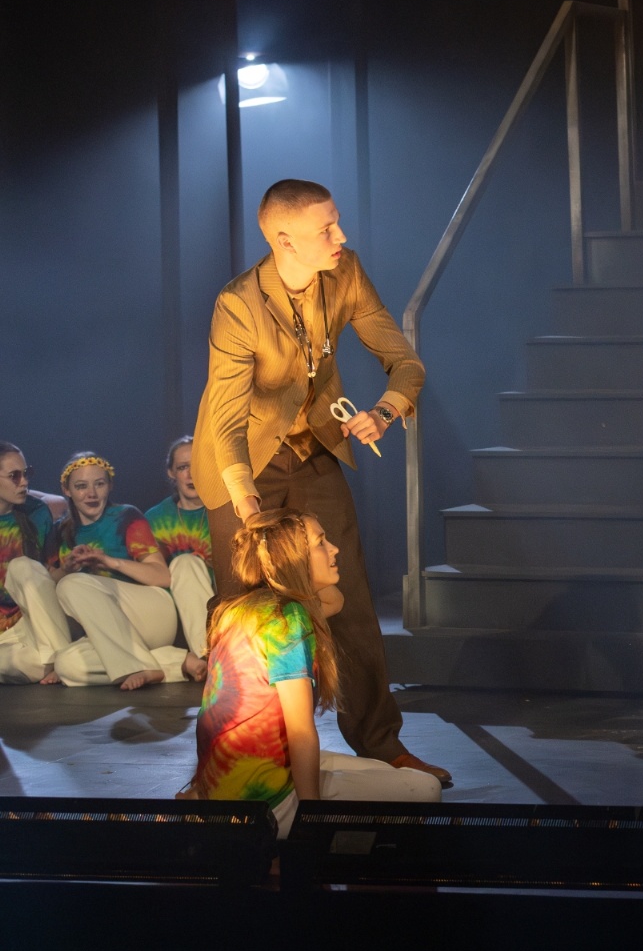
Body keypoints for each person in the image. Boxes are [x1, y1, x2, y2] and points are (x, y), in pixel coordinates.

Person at [191, 178, 450, 787]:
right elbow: (226, 422)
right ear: (285, 240)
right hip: (241, 463)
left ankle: (381, 743)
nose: (341, 236)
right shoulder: (238, 304)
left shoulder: (345, 272)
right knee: (243, 609)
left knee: (346, 593)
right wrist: (250, 510)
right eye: (327, 228)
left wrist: (383, 411)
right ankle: (220, 759)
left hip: (311, 448)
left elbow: (404, 361)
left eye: (337, 222)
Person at [184, 508, 440, 834]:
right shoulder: (286, 622)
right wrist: (311, 817)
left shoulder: (243, 609)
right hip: (264, 802)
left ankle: (202, 802)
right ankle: (303, 822)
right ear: (295, 558)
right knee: (426, 788)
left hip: (231, 781)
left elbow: (334, 601)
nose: (334, 549)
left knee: (383, 771)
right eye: (321, 543)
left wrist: (303, 570)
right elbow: (301, 732)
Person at [44, 452, 206, 688]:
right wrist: (66, 568)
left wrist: (109, 562)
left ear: (110, 486)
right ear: (66, 490)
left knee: (72, 584)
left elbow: (162, 576)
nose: (91, 494)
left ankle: (141, 664)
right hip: (112, 635)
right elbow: (48, 587)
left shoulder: (125, 516)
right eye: (81, 486)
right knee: (67, 664)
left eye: (99, 484)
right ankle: (176, 662)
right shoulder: (59, 531)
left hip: (150, 614)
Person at [0, 440, 70, 684]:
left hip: (31, 623)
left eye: (26, 473)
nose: (24, 482)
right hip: (7, 641)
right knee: (16, 662)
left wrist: (68, 567)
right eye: (14, 476)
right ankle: (67, 663)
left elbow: (45, 577)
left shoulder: (37, 513)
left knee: (22, 566)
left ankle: (63, 659)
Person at [145, 436, 214, 663]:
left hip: (217, 608)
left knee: (187, 563)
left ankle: (206, 655)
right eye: (183, 467)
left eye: (197, 465)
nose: (191, 474)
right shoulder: (154, 518)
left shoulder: (226, 512)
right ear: (171, 473)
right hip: (168, 613)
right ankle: (204, 657)